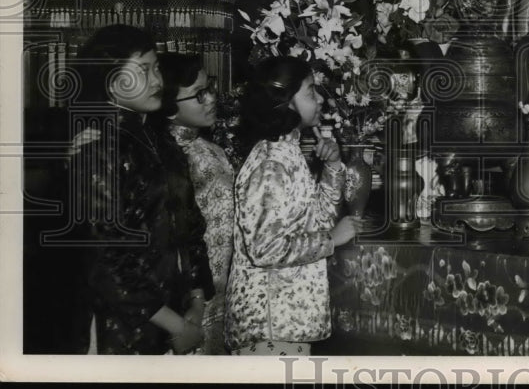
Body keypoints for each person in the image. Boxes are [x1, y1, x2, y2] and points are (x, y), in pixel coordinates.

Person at [71, 25, 213, 354]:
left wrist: (196, 299)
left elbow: (191, 227)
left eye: (156, 68)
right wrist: (176, 324)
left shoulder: (163, 141)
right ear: (109, 80)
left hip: (175, 319)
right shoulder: (99, 148)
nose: (157, 81)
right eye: (142, 71)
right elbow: (106, 261)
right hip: (126, 331)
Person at [225, 56, 355, 356]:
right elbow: (264, 249)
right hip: (268, 324)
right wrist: (332, 240)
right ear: (285, 101)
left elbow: (318, 219)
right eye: (310, 91)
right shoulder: (270, 164)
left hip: (286, 320)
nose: (320, 99)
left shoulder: (288, 152)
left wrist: (333, 167)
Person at [152, 53, 235, 355]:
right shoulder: (168, 160)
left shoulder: (211, 150)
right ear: (169, 108)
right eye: (199, 94)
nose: (211, 98)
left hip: (223, 292)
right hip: (190, 300)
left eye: (209, 87)